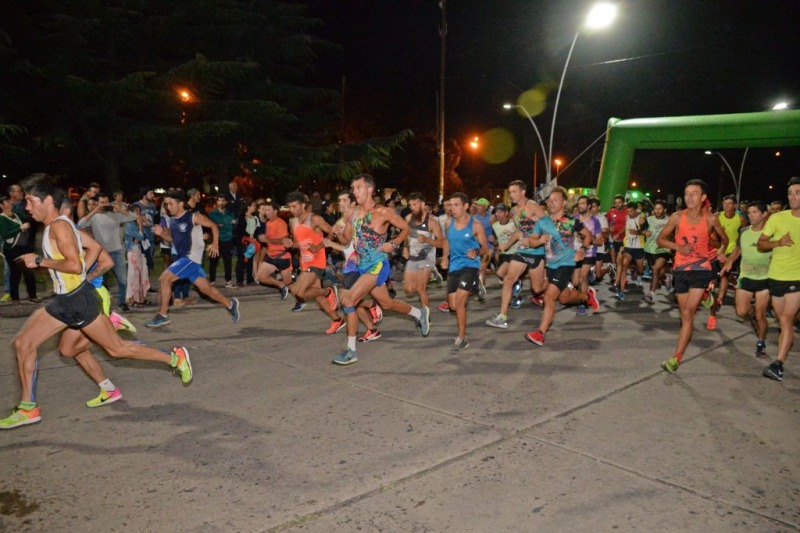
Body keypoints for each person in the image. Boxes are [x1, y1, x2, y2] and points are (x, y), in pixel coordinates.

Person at [0, 175, 192, 430]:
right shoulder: (59, 226)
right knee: (63, 350)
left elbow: (74, 264)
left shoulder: (59, 227)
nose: (27, 207)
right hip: (69, 299)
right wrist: (82, 274)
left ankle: (174, 358)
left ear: (47, 200)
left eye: (31, 201)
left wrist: (41, 261)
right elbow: (94, 249)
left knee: (112, 349)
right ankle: (110, 383)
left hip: (75, 302)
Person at [332, 174, 430, 365]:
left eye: (358, 187)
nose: (354, 191)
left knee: (349, 299)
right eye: (353, 188)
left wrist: (393, 244)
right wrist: (338, 236)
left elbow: (406, 229)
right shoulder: (352, 213)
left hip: (377, 264)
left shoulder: (383, 212)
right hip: (360, 266)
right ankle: (420, 314)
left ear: (369, 189)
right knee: (386, 304)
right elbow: (346, 241)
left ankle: (351, 350)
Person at [657, 179, 728, 373]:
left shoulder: (711, 218)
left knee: (688, 312)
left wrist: (721, 252)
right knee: (685, 314)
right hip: (680, 268)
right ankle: (707, 296)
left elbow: (725, 239)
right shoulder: (677, 217)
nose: (689, 197)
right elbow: (660, 239)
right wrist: (677, 246)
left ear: (703, 197)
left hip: (701, 268)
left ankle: (676, 358)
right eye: (687, 193)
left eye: (694, 193)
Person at [145, 188, 240, 328]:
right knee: (205, 289)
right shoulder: (173, 221)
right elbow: (174, 240)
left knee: (164, 279)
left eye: (170, 203)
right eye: (165, 204)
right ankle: (231, 304)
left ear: (181, 203)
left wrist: (215, 244)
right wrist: (161, 234)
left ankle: (163, 315)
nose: (167, 207)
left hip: (191, 258)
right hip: (186, 260)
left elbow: (213, 225)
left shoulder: (193, 216)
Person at [525, 187, 600, 347]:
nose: (551, 203)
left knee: (549, 296)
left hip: (566, 264)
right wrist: (539, 241)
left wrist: (582, 249)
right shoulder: (542, 222)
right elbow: (531, 240)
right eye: (549, 200)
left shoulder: (572, 221)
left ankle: (540, 333)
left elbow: (588, 236)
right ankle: (587, 296)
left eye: (555, 200)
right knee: (565, 298)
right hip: (551, 265)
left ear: (564, 203)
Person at [486, 180, 547, 329]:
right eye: (510, 192)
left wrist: (537, 240)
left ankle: (558, 283)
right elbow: (519, 230)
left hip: (537, 252)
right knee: (508, 279)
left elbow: (548, 225)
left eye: (514, 192)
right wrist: (507, 245)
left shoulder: (532, 206)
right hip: (522, 251)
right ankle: (503, 317)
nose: (511, 195)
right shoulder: (514, 211)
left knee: (537, 289)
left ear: (523, 192)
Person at [757, 177, 800, 381]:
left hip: (797, 277)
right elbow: (761, 243)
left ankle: (778, 364)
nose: (793, 197)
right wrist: (778, 242)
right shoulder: (777, 218)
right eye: (790, 193)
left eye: (798, 192)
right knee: (782, 320)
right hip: (776, 276)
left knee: (786, 319)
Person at [283, 191, 343, 331]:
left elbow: (333, 231)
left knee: (299, 292)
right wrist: (289, 243)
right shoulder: (293, 222)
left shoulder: (315, 219)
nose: (292, 210)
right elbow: (298, 243)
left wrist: (319, 246)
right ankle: (337, 319)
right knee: (318, 297)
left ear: (303, 205)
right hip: (305, 262)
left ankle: (328, 292)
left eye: (294, 206)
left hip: (317, 261)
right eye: (289, 207)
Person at [719, 201, 771, 357]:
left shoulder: (771, 233)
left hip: (765, 278)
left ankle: (760, 342)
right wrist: (729, 262)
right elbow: (737, 249)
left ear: (764, 214)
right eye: (749, 212)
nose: (751, 215)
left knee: (760, 314)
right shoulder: (743, 231)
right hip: (746, 276)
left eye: (755, 212)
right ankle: (753, 313)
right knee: (741, 312)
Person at [441, 193, 488, 351]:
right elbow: (446, 241)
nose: (452, 208)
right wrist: (445, 257)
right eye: (450, 205)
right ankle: (477, 286)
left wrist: (476, 251)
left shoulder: (475, 225)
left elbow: (485, 248)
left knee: (460, 302)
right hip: (454, 267)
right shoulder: (448, 223)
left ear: (465, 206)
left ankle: (461, 338)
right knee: (453, 306)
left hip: (470, 266)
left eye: (456, 205)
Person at [77, 192, 137, 311]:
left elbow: (133, 217)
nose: (104, 205)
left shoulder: (115, 215)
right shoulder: (94, 216)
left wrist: (120, 210)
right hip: (101, 254)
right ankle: (103, 304)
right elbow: (80, 224)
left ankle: (121, 302)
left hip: (117, 251)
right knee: (101, 281)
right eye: (101, 203)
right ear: (97, 203)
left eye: (106, 202)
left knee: (123, 280)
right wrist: (95, 210)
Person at [402, 192, 443, 310]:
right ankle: (432, 273)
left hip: (427, 257)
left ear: (423, 204)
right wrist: (405, 247)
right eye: (410, 205)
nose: (412, 207)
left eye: (415, 204)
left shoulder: (432, 222)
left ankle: (425, 316)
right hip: (413, 256)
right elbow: (405, 233)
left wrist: (427, 240)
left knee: (421, 288)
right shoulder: (408, 218)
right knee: (408, 290)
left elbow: (442, 243)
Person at [0, 194, 39, 304]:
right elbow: (6, 235)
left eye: (9, 201)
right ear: (1, 205)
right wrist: (20, 228)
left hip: (25, 248)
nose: (10, 203)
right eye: (7, 201)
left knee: (29, 272)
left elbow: (29, 222)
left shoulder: (17, 214)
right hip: (13, 249)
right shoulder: (1, 218)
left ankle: (33, 295)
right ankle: (15, 298)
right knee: (15, 273)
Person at [255, 201, 293, 299]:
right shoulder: (268, 223)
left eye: (268, 210)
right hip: (271, 256)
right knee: (260, 276)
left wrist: (267, 239)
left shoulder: (281, 223)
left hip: (282, 257)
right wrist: (263, 238)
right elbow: (269, 239)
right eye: (265, 210)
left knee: (290, 284)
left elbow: (284, 241)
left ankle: (302, 298)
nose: (265, 212)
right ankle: (281, 285)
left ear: (275, 211)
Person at [715, 195, 747, 310]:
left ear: (735, 206)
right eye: (724, 203)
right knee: (725, 273)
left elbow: (745, 235)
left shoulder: (741, 219)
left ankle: (719, 300)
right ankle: (735, 282)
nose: (726, 206)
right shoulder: (717, 216)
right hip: (719, 248)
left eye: (729, 204)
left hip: (733, 249)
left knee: (724, 273)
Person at [613, 202, 647, 300]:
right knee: (624, 266)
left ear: (636, 210)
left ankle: (639, 274)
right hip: (628, 246)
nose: (629, 213)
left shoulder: (640, 219)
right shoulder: (627, 218)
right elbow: (626, 227)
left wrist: (637, 232)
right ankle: (622, 291)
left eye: (631, 211)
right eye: (628, 211)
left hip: (639, 247)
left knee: (641, 269)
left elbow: (647, 232)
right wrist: (618, 234)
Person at [642, 199, 672, 304]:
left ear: (665, 210)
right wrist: (645, 231)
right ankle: (666, 278)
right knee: (657, 272)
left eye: (660, 208)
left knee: (655, 270)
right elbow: (642, 229)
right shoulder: (649, 219)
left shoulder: (670, 220)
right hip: (649, 249)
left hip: (663, 249)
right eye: (656, 208)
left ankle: (651, 294)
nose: (657, 210)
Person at [123, 203, 151, 306]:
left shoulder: (134, 223)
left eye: (139, 212)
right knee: (134, 276)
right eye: (136, 212)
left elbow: (143, 235)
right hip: (133, 251)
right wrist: (140, 225)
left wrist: (140, 226)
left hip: (139, 250)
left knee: (141, 275)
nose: (138, 214)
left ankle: (140, 297)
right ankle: (133, 299)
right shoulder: (130, 224)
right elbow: (140, 236)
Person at [208, 195, 236, 288]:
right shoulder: (213, 214)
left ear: (225, 202)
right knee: (214, 260)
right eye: (219, 200)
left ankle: (228, 280)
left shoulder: (230, 213)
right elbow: (213, 225)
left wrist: (227, 224)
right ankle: (212, 281)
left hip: (228, 239)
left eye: (223, 200)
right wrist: (225, 224)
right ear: (217, 202)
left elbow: (233, 225)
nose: (221, 202)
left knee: (227, 261)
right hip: (217, 240)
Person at [131, 187, 158, 271]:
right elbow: (132, 219)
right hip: (140, 236)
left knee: (149, 260)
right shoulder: (136, 205)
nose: (152, 195)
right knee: (140, 260)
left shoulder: (153, 206)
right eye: (150, 193)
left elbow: (154, 219)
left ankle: (146, 280)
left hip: (151, 236)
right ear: (144, 195)